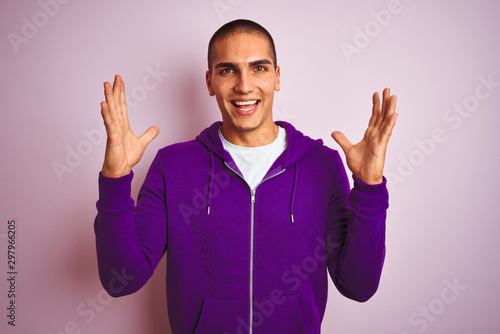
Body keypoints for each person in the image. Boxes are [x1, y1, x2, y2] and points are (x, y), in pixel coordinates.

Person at [94, 19, 398, 334]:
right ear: (210, 82)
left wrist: (370, 188)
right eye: (228, 70)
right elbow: (122, 279)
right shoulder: (172, 166)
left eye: (258, 68)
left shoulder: (322, 166)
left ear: (277, 77)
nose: (244, 85)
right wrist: (115, 178)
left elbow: (358, 286)